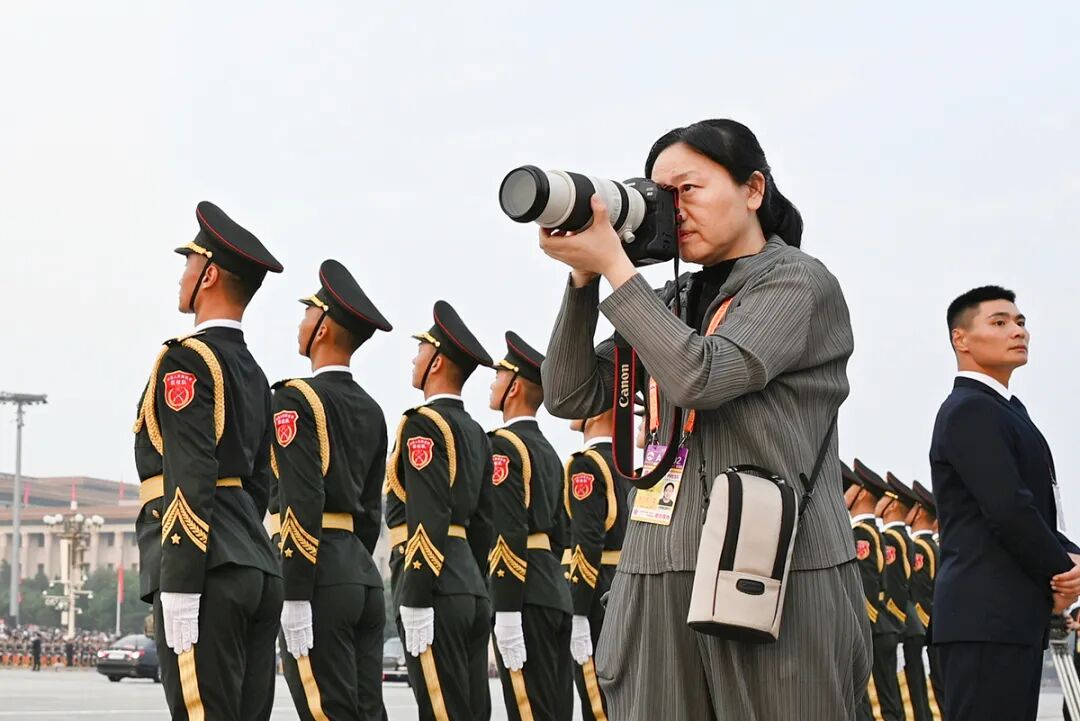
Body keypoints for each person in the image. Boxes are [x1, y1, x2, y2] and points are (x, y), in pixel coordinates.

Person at [539, 118, 867, 720]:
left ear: (753, 190)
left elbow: (704, 376)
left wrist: (615, 267)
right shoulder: (671, 300)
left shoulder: (796, 280)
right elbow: (571, 395)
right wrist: (583, 280)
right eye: (660, 196)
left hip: (774, 569)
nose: (673, 209)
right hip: (660, 563)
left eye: (687, 189)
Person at [132, 201, 285, 721]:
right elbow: (260, 483)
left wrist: (179, 581)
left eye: (189, 263)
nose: (183, 275)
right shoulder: (254, 371)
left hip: (208, 570)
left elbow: (190, 474)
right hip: (254, 564)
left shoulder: (186, 360)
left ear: (210, 273)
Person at [930, 285, 1080, 721]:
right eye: (999, 322)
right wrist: (1063, 570)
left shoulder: (1007, 410)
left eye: (1020, 322)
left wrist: (1070, 557)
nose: (1018, 330)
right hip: (984, 617)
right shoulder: (969, 409)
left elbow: (1034, 508)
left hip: (1010, 617)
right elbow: (1008, 508)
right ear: (961, 339)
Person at [270, 260, 392, 721]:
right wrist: (352, 560)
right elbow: (369, 511)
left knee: (326, 710)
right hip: (360, 572)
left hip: (316, 570)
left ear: (322, 328)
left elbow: (301, 500)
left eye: (307, 314)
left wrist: (296, 592)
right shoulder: (373, 408)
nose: (300, 324)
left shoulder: (296, 398)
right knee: (366, 710)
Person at [385, 300, 494, 721]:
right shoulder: (475, 432)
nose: (414, 359)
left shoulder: (423, 424)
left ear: (436, 362)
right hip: (468, 585)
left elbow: (427, 516)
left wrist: (413, 597)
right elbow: (484, 525)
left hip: (434, 589)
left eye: (420, 350)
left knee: (441, 711)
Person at [486, 331, 574, 721]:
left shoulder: (504, 446)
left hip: (522, 594)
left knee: (528, 708)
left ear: (515, 386)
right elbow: (561, 533)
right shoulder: (549, 452)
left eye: (498, 375)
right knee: (554, 707)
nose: (492, 383)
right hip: (553, 588)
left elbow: (507, 528)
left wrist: (505, 608)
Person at [564, 405, 628, 721]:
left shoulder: (586, 466)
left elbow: (587, 543)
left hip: (595, 593)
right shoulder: (629, 466)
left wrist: (577, 612)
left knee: (595, 701)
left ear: (599, 411)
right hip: (625, 586)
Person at [852, 459, 905, 721]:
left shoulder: (861, 533)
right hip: (885, 623)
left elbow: (869, 583)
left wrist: (864, 621)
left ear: (861, 492)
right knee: (887, 698)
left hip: (874, 625)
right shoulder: (872, 531)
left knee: (873, 700)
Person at [886, 472, 933, 721]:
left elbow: (913, 590)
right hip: (913, 623)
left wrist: (895, 619)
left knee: (903, 691)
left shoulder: (899, 541)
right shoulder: (911, 541)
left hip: (904, 623)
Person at [909, 480, 943, 717]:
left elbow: (921, 595)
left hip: (927, 629)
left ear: (920, 511)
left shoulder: (921, 548)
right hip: (940, 628)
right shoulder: (936, 546)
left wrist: (919, 627)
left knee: (932, 689)